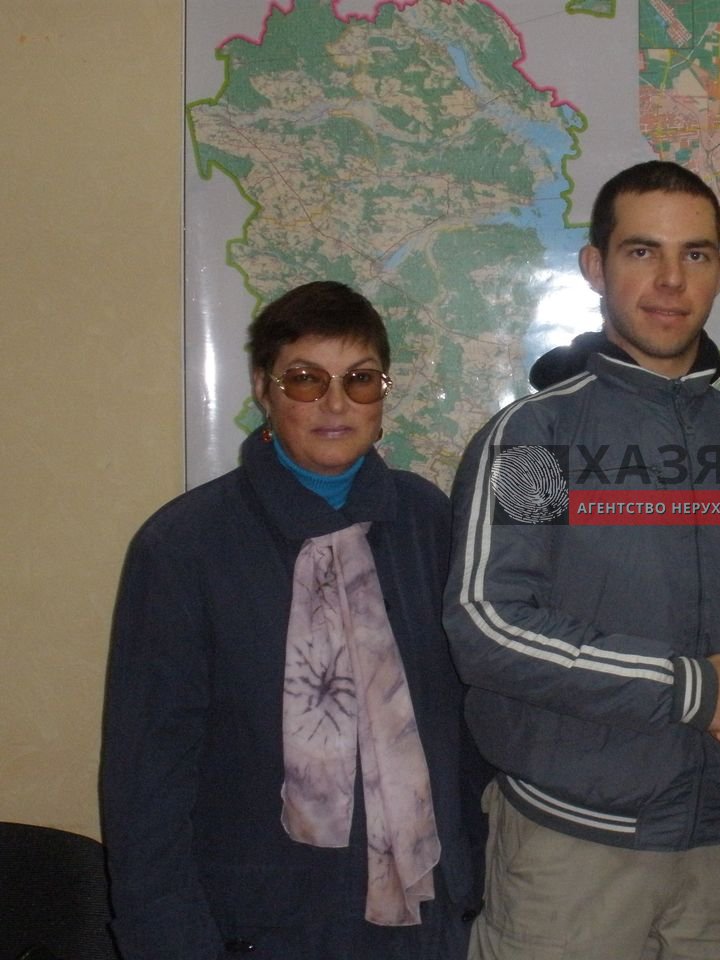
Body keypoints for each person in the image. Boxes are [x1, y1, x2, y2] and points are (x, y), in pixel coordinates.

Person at [444, 161, 720, 960]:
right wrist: (690, 689)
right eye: (641, 251)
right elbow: (490, 626)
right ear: (596, 266)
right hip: (566, 867)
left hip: (716, 862)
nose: (670, 280)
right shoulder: (537, 441)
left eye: (695, 254)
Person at [101, 281, 489, 959]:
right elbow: (147, 786)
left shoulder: (426, 521)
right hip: (259, 926)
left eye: (359, 380)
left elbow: (464, 729)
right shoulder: (184, 548)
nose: (336, 404)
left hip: (427, 918)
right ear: (263, 388)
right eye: (306, 380)